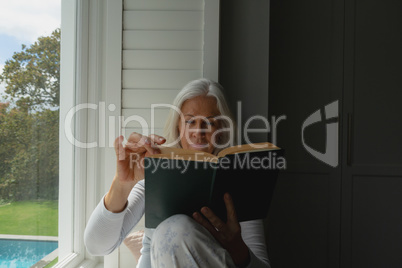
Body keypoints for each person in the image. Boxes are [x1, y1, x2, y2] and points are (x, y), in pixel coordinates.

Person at [84, 78, 271, 267]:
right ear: (178, 127)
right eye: (190, 121)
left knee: (177, 227)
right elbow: (96, 246)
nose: (199, 132)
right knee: (175, 227)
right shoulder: (157, 175)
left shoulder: (239, 183)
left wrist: (238, 251)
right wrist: (122, 183)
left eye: (210, 123)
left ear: (221, 130)